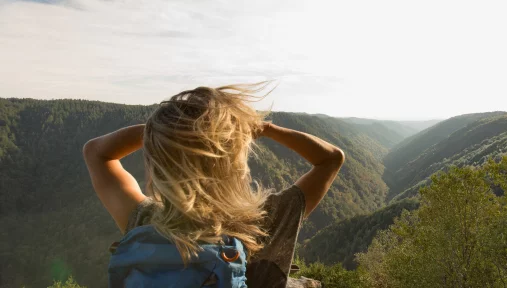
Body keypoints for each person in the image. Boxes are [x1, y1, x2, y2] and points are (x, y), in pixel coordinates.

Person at [83, 83, 345, 287]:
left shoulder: (143, 220)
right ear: (235, 163)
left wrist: (163, 134)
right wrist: (265, 128)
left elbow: (96, 153)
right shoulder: (264, 224)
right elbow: (330, 159)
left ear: (158, 164)